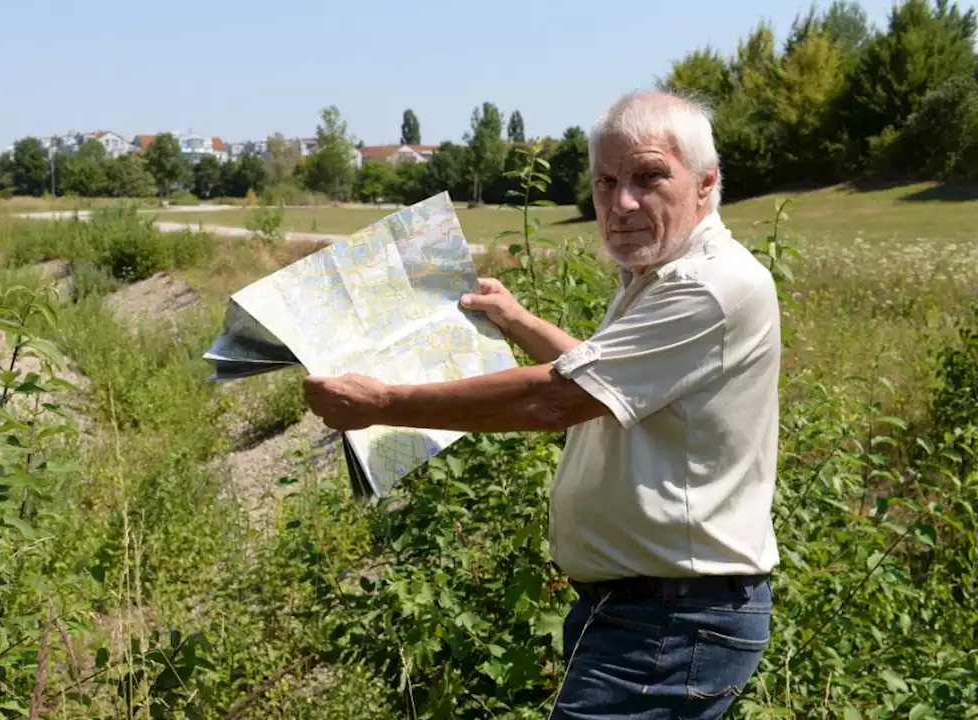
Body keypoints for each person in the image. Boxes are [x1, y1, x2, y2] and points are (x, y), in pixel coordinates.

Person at [302, 89, 781, 720]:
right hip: (647, 611)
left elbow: (556, 400)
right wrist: (517, 318)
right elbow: (604, 379)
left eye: (649, 176)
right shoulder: (663, 272)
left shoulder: (706, 287)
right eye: (606, 182)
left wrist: (382, 402)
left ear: (706, 183)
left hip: (671, 621)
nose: (622, 203)